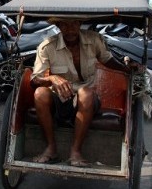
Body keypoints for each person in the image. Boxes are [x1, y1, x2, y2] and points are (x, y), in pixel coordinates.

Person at [30, 18, 141, 167]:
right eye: (65, 24)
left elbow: (107, 60)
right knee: (40, 93)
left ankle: (75, 151)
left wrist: (128, 69)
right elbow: (34, 79)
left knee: (85, 93)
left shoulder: (93, 40)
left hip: (87, 99)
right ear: (58, 26)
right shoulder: (47, 46)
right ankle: (51, 148)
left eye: (74, 23)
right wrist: (51, 78)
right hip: (61, 98)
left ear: (80, 23)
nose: (70, 29)